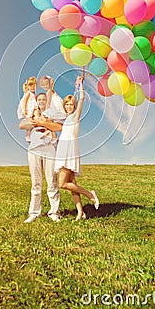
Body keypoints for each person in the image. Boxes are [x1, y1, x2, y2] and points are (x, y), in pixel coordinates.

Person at [54, 77, 99, 221]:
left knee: (62, 184)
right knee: (72, 184)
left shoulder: (75, 116)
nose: (69, 107)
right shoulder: (66, 119)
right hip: (63, 150)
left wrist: (81, 86)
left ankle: (90, 195)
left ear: (73, 106)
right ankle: (81, 212)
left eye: (70, 104)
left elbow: (82, 99)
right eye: (66, 104)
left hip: (69, 151)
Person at [19, 93, 63, 223]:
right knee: (36, 182)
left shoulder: (51, 115)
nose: (42, 101)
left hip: (49, 149)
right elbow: (21, 125)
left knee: (52, 181)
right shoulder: (32, 115)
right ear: (36, 102)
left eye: (44, 99)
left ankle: (54, 212)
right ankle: (34, 213)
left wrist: (45, 123)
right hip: (34, 150)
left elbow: (59, 127)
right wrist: (36, 122)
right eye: (39, 99)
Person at [17, 76, 37, 141]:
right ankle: (28, 135)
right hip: (28, 109)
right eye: (31, 86)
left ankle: (28, 135)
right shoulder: (28, 93)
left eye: (34, 86)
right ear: (28, 86)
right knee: (30, 120)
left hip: (32, 109)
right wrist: (24, 110)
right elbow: (24, 102)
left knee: (30, 123)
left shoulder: (34, 94)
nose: (33, 87)